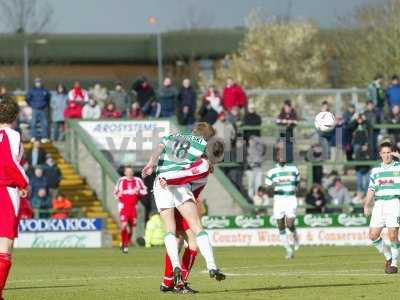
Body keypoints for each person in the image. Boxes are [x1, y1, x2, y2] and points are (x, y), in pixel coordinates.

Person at [142, 122, 225, 290]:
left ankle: (172, 274)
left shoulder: (173, 136)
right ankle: (210, 266)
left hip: (160, 182)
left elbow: (158, 148)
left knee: (171, 231)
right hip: (179, 185)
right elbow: (198, 166)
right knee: (195, 233)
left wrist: (151, 163)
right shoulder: (202, 152)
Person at [0, 99, 29, 300]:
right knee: (5, 246)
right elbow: (8, 162)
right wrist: (24, 182)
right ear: (15, 116)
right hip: (5, 190)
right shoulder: (12, 134)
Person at [364, 142, 400, 274]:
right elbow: (371, 189)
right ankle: (388, 257)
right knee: (373, 235)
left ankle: (394, 264)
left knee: (392, 235)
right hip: (379, 204)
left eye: (389, 152)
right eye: (384, 153)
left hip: (394, 202)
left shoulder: (398, 167)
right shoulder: (376, 171)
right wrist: (367, 204)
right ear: (380, 154)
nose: (386, 155)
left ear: (393, 153)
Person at [265, 153, 300, 259]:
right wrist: (272, 186)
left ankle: (295, 235)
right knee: (280, 225)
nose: (282, 157)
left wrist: (297, 189)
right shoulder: (271, 172)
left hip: (290, 199)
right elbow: (267, 187)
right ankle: (289, 250)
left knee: (289, 224)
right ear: (277, 158)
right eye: (280, 156)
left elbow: (297, 183)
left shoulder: (294, 169)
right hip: (278, 201)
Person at [114, 166, 148, 253]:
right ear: (125, 173)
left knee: (130, 228)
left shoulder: (138, 180)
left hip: (133, 206)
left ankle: (125, 243)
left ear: (133, 172)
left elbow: (145, 191)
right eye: (127, 172)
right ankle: (124, 244)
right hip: (124, 206)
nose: (129, 173)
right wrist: (121, 195)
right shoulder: (121, 181)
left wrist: (138, 191)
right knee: (124, 225)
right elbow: (116, 192)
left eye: (131, 171)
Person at [27, 77, 51, 143]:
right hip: (34, 109)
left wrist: (45, 105)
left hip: (43, 109)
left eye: (39, 82)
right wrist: (32, 105)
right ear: (35, 83)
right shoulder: (32, 90)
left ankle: (44, 137)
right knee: (33, 123)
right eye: (37, 82)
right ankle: (33, 137)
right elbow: (27, 99)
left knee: (44, 124)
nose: (38, 83)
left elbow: (48, 98)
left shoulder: (45, 90)